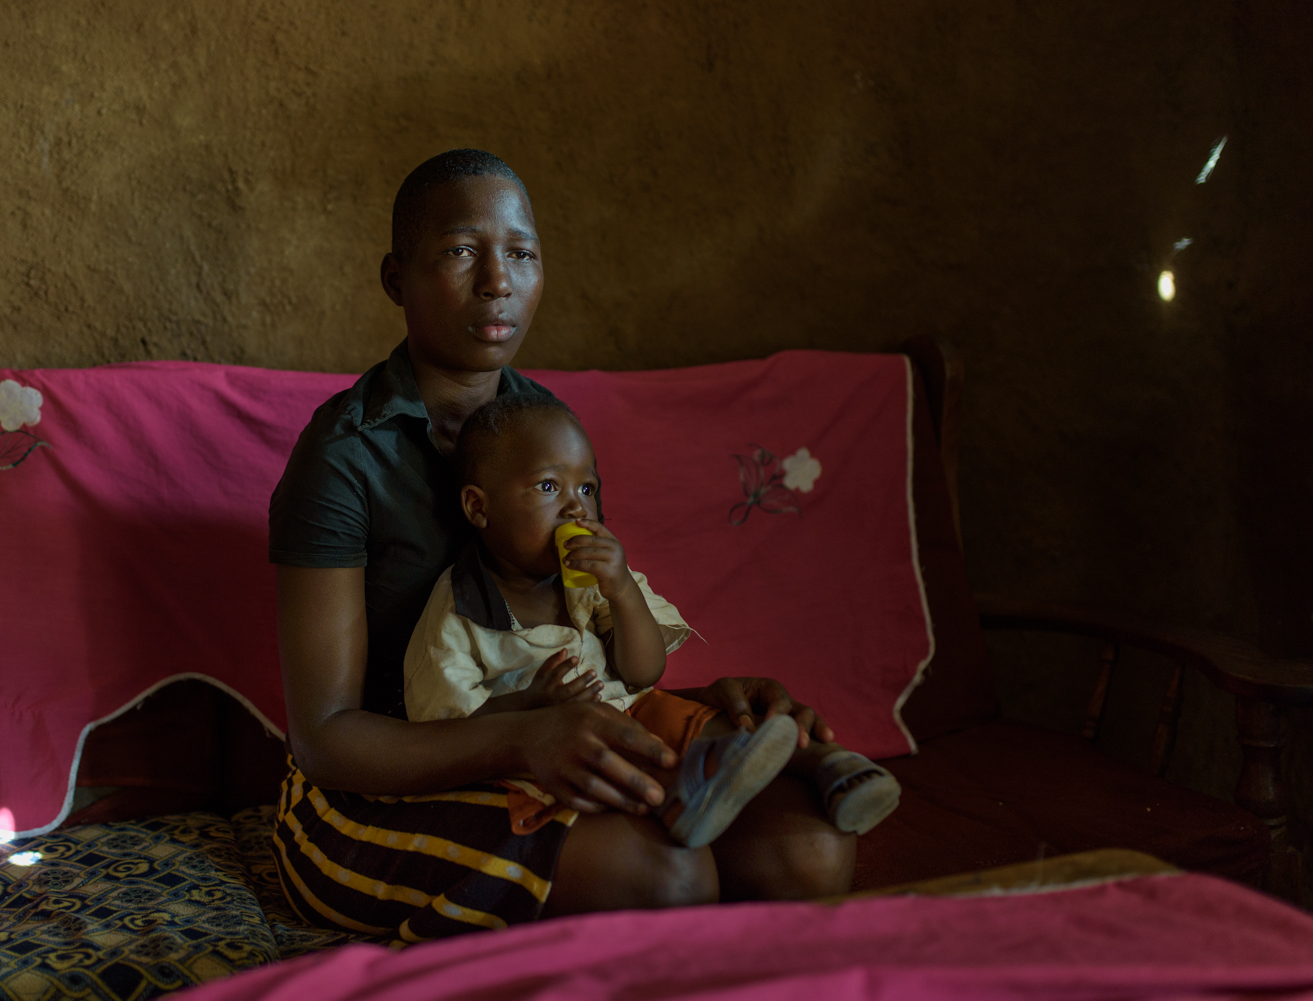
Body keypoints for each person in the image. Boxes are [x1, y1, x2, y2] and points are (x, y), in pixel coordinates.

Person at [268, 148, 859, 948]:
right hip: (374, 792)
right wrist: (523, 734)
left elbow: (579, 621)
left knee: (810, 850)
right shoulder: (344, 456)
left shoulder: (545, 427)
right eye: (461, 252)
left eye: (520, 254)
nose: (496, 281)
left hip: (545, 735)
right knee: (666, 876)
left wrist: (701, 709)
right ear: (394, 277)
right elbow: (327, 737)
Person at [403, 394, 900, 848]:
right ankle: (689, 795)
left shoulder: (592, 579)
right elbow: (447, 727)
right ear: (478, 507)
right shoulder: (458, 609)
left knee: (694, 717)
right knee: (621, 749)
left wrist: (621, 589)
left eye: (588, 487)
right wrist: (530, 703)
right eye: (549, 486)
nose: (577, 506)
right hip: (549, 753)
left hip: (634, 713)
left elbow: (642, 672)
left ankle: (828, 766)